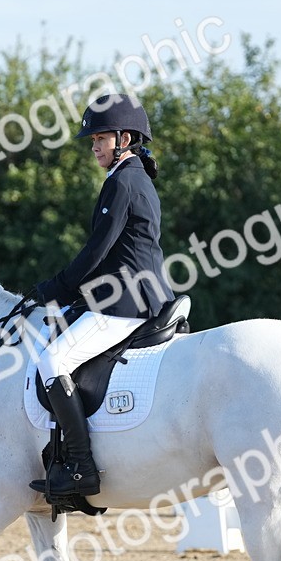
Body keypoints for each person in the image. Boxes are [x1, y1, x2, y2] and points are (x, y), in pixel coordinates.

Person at [30, 93, 175, 499]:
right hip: (129, 294)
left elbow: (97, 251)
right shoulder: (131, 177)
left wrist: (54, 288)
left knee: (52, 359)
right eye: (92, 140)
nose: (94, 146)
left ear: (124, 139)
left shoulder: (124, 181)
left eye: (100, 138)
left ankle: (80, 466)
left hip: (126, 302)